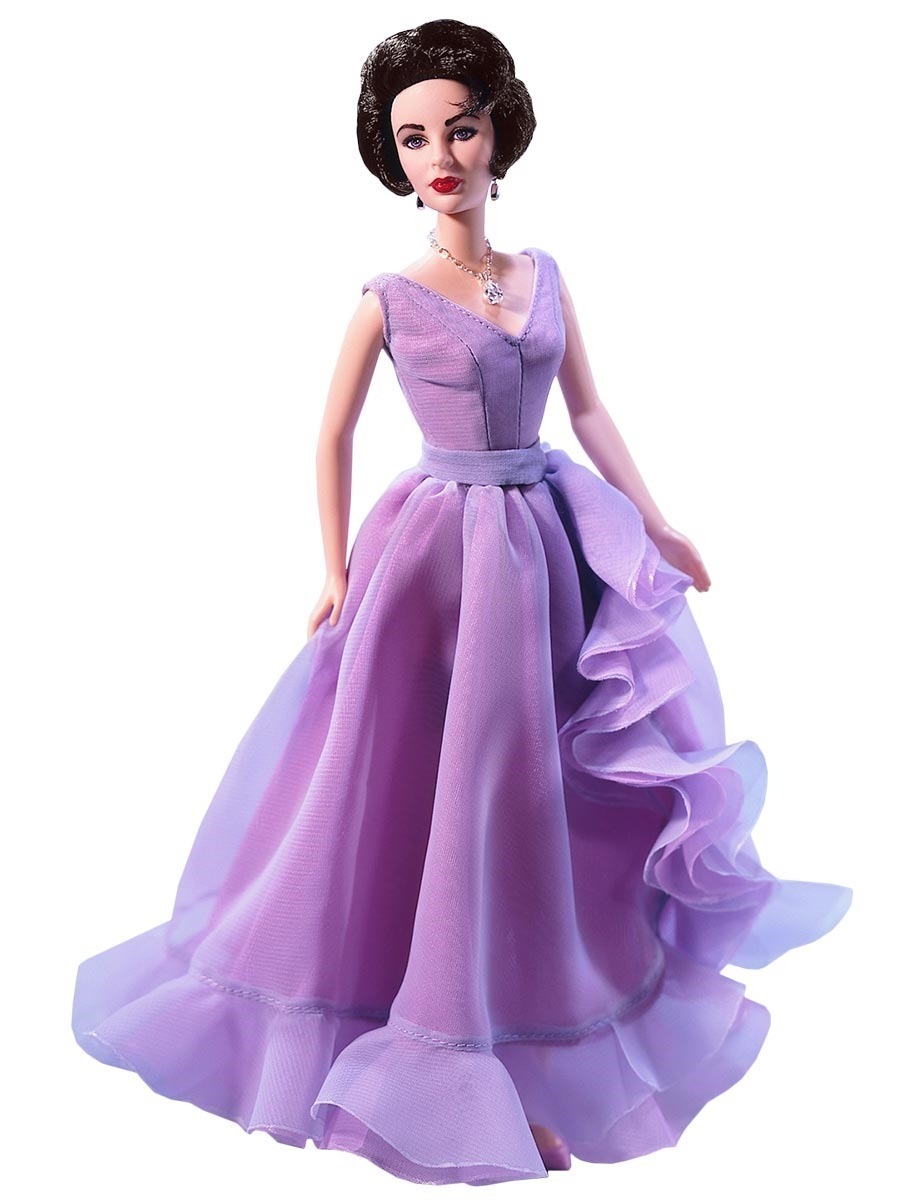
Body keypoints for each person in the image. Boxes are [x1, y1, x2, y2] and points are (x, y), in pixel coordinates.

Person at [72, 18, 853, 1185]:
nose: (441, 155)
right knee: (432, 791)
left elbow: (590, 411)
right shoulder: (390, 297)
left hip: (546, 552)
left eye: (461, 128)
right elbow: (330, 433)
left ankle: (530, 1051)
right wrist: (333, 568)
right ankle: (432, 1057)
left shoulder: (544, 278)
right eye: (414, 138)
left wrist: (654, 520)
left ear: (500, 134)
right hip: (439, 564)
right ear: (390, 157)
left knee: (542, 796)